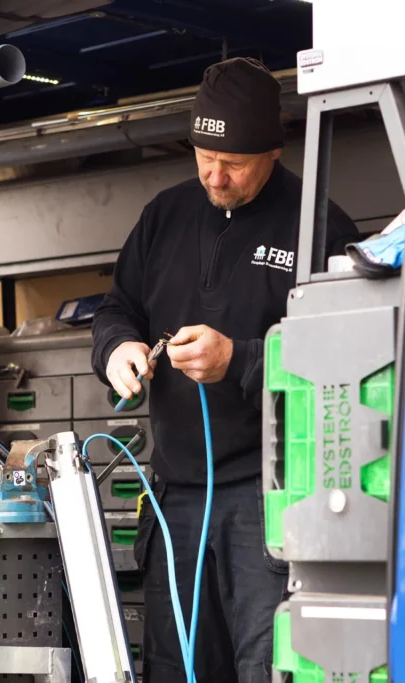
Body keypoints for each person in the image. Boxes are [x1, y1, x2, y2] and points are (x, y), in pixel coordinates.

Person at [91, 57, 359, 683]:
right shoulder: (164, 216)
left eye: (233, 162)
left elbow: (346, 353)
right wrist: (117, 350)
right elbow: (116, 309)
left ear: (274, 148)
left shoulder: (318, 224)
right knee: (176, 665)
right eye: (203, 154)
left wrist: (239, 358)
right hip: (175, 498)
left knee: (266, 666)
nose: (215, 174)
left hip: (269, 502)